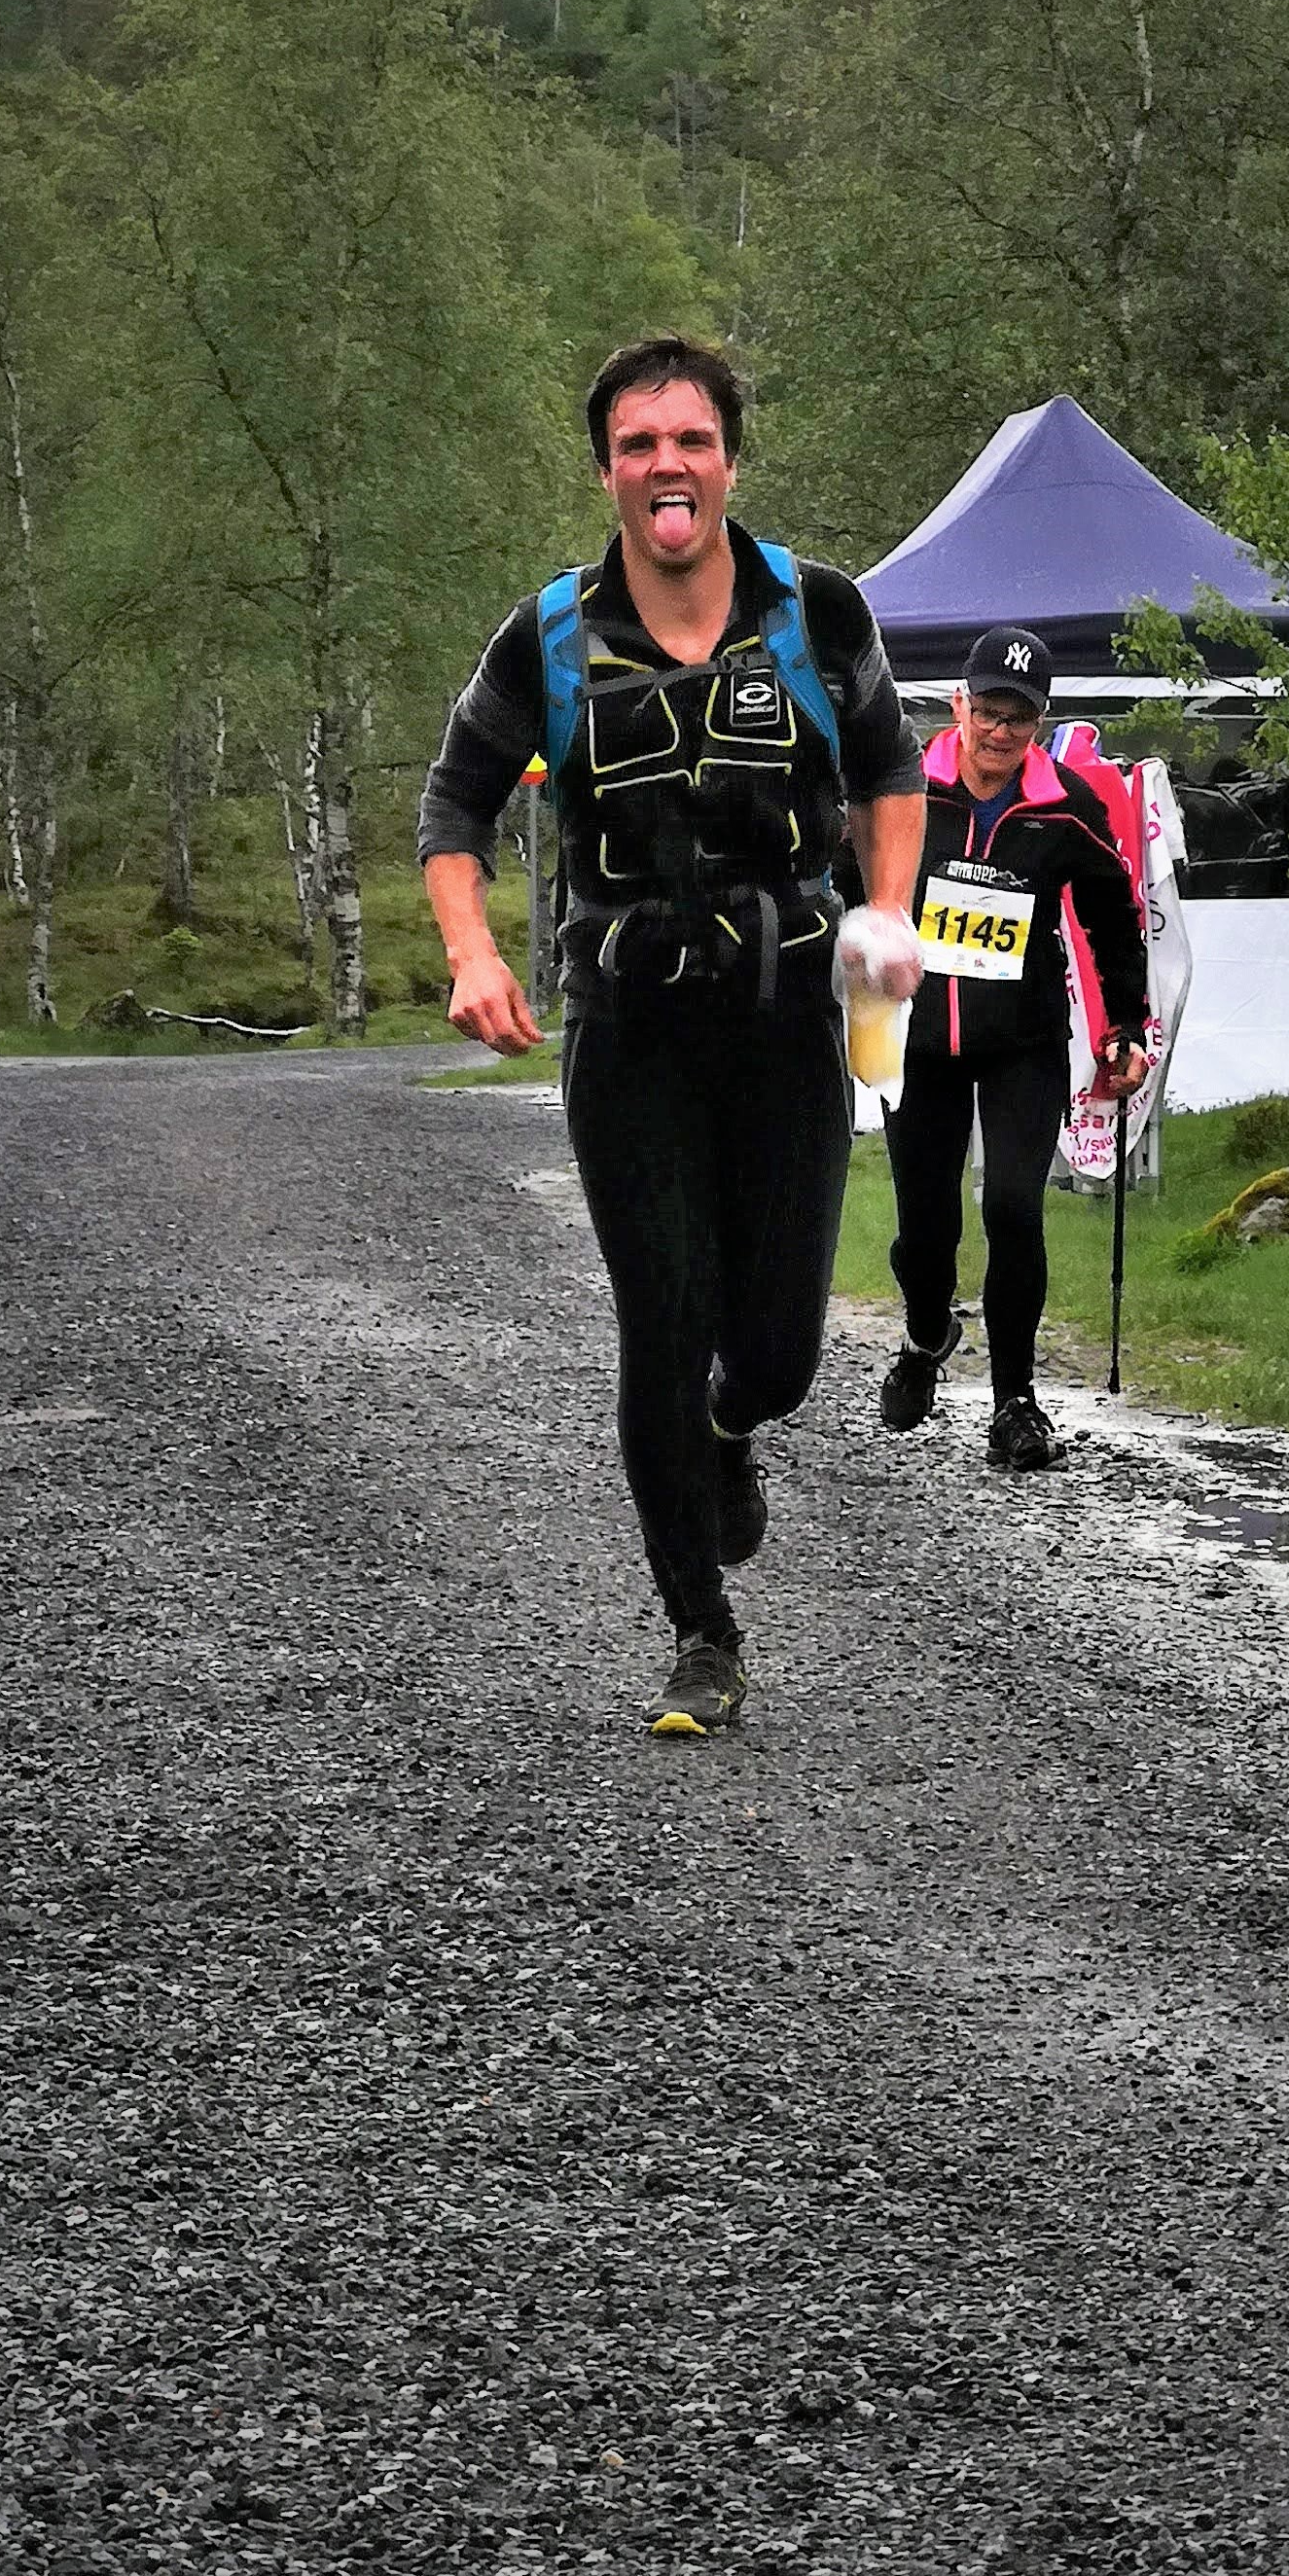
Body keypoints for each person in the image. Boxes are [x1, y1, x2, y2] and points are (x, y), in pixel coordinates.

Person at [418, 336, 925, 1739]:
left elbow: (889, 766)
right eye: (638, 446)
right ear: (607, 473)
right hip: (629, 1024)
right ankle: (701, 1632)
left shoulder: (818, 611)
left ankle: (730, 1422)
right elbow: (455, 803)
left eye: (690, 440)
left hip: (786, 1019)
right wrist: (471, 952)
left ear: (730, 463)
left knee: (778, 1351)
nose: (667, 467)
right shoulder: (550, 635)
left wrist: (888, 909)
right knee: (662, 1319)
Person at [877, 627, 1150, 1472]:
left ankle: (1015, 1402)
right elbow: (849, 879)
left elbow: (1112, 916)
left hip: (1022, 1042)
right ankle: (926, 1335)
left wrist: (1126, 1025)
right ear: (958, 704)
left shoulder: (1067, 804)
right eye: (989, 712)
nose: (1000, 732)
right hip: (921, 1040)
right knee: (927, 1228)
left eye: (1020, 719)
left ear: (1041, 723)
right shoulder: (904, 786)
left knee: (1013, 1209)